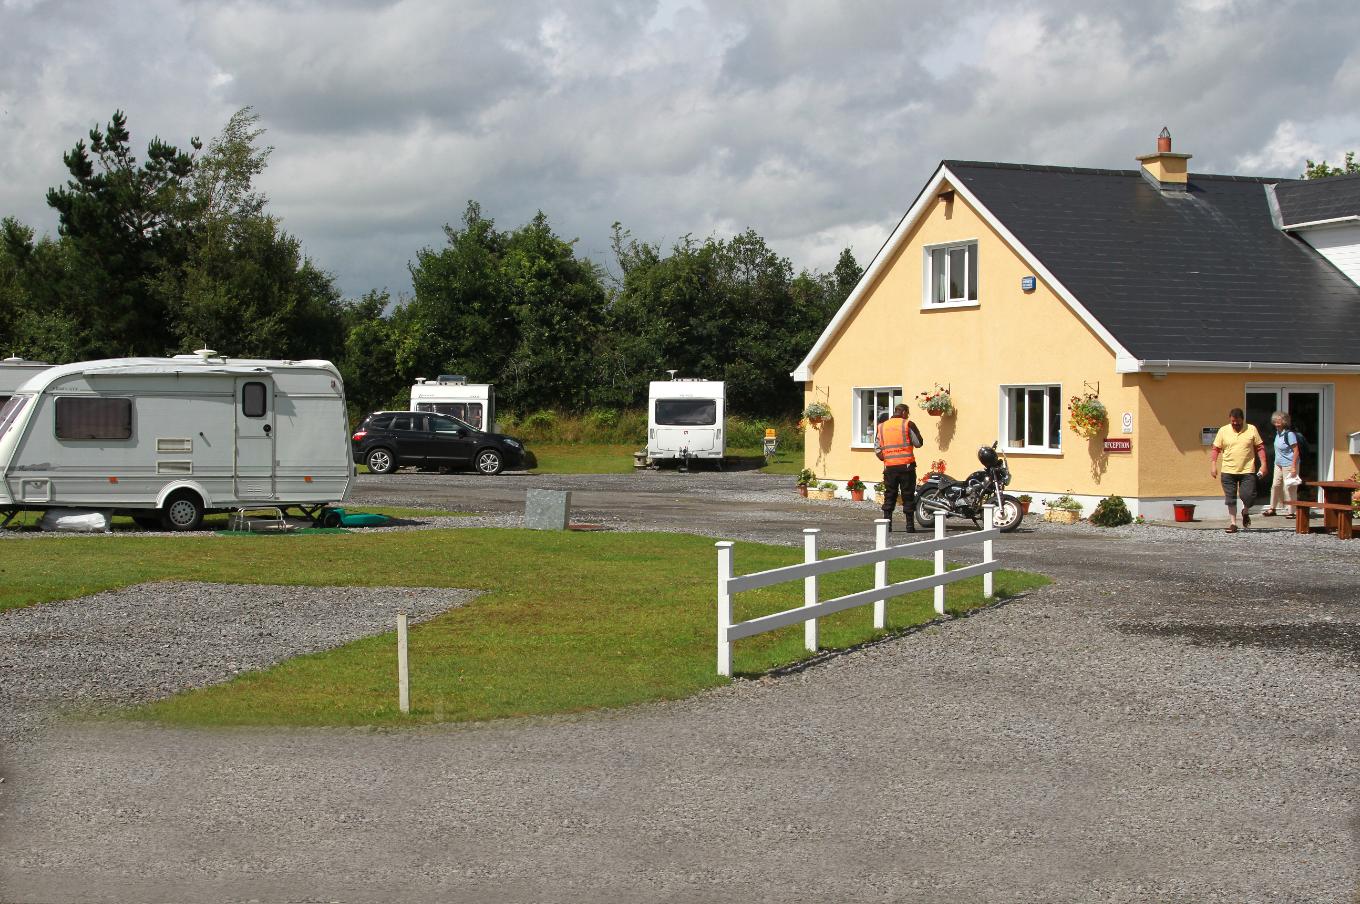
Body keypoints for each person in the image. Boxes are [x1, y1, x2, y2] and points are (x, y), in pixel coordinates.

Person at [1209, 407, 1266, 533]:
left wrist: (1264, 464)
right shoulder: (1223, 430)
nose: (1235, 424)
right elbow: (1216, 448)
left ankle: (1245, 512)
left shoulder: (1251, 429)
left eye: (1238, 422)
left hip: (1247, 470)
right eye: (1233, 422)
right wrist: (1213, 465)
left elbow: (1260, 447)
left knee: (1248, 497)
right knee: (1230, 498)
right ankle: (1233, 523)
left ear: (1242, 420)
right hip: (1228, 471)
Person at [875, 403, 923, 532]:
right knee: (908, 496)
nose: (907, 416)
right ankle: (909, 526)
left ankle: (887, 525)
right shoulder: (907, 424)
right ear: (904, 412)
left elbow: (877, 448)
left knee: (890, 495)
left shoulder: (881, 427)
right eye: (907, 413)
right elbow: (918, 443)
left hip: (890, 467)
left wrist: (886, 458)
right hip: (906, 467)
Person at [1261, 411, 1301, 517]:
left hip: (1289, 463)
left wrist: (1293, 467)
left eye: (1280, 419)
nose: (1277, 421)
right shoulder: (1277, 434)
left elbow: (1296, 451)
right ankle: (1272, 508)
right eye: (1275, 419)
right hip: (1278, 464)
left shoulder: (1289, 434)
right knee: (1275, 485)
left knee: (1289, 488)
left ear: (1285, 421)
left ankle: (1291, 511)